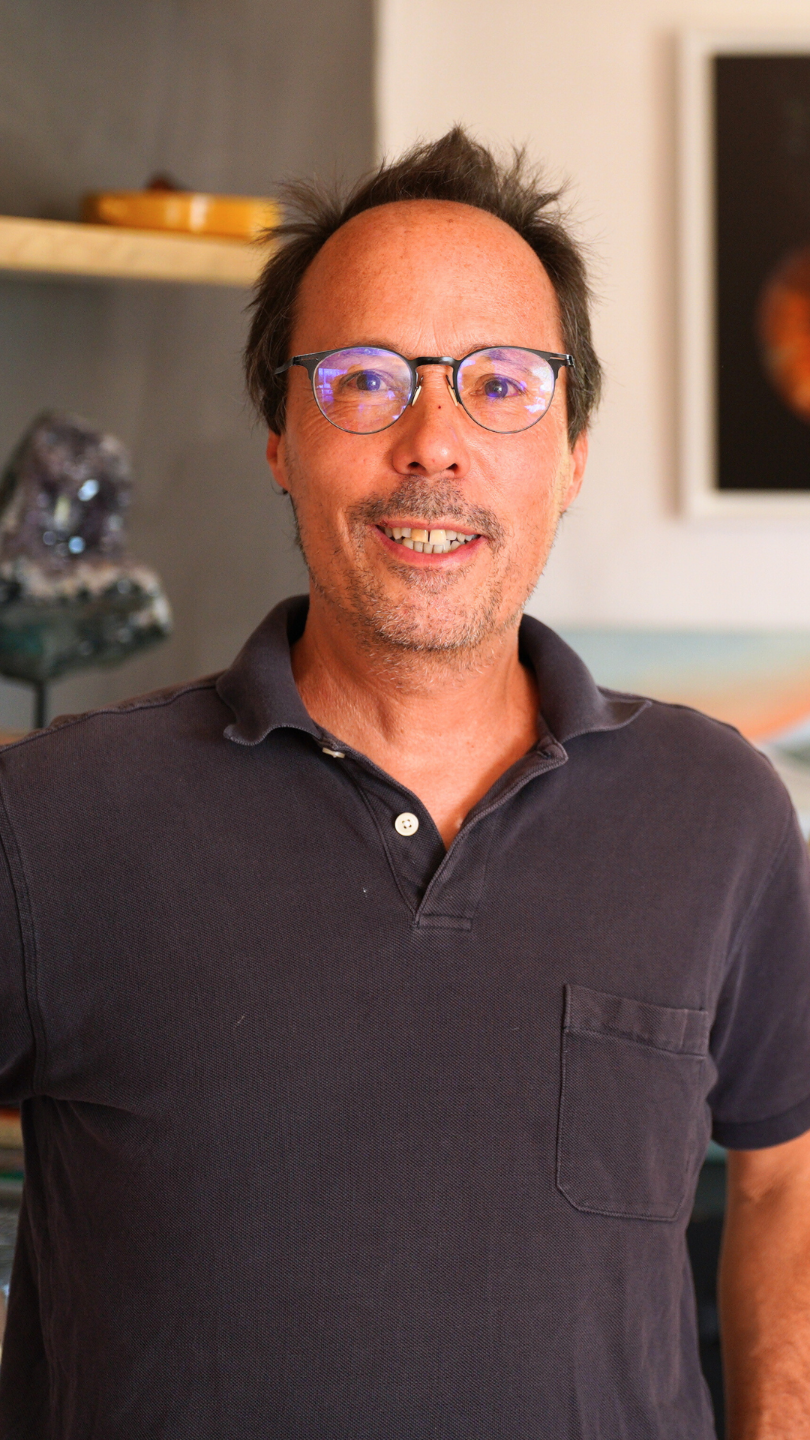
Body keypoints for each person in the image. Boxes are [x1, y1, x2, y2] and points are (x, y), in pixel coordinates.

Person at [1, 128, 809, 1440]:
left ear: (572, 451)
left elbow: (784, 1180)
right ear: (280, 437)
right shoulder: (51, 819)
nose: (434, 443)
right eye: (365, 380)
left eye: (502, 384)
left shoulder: (716, 810)